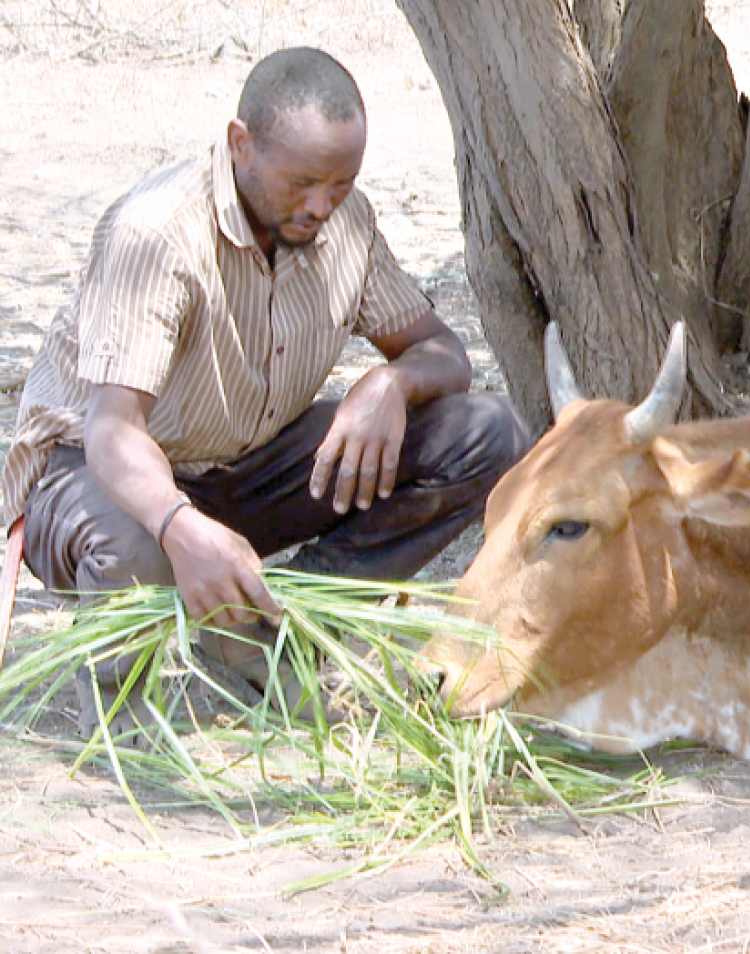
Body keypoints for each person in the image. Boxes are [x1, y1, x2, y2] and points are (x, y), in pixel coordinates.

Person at [0, 47, 529, 734]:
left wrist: (391, 382)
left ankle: (275, 631)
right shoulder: (158, 234)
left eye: (341, 185)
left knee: (491, 434)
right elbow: (113, 432)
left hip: (247, 469)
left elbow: (442, 353)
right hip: (99, 479)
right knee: (139, 550)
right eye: (303, 183)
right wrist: (179, 528)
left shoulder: (345, 222)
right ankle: (121, 710)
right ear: (240, 145)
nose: (320, 206)